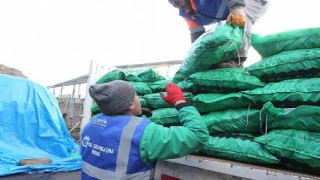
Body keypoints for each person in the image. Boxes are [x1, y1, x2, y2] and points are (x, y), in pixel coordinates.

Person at [81, 80, 209, 179]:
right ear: (130, 104)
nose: (139, 99)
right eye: (136, 95)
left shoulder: (91, 124)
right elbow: (198, 135)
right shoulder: (143, 133)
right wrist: (180, 102)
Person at [168, 0, 269, 68]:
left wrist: (237, 7)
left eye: (177, 2)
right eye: (175, 5)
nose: (179, 6)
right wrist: (197, 58)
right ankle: (222, 60)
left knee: (239, 17)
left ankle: (237, 60)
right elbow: (197, 36)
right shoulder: (186, 13)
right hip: (229, 10)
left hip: (251, 1)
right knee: (213, 36)